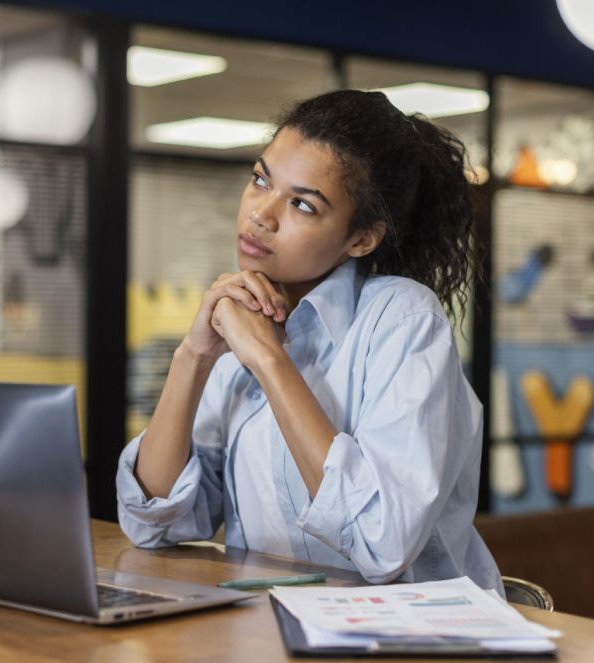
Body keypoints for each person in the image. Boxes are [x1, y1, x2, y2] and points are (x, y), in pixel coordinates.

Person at [116, 89, 503, 593]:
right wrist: (194, 356)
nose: (261, 215)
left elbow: (380, 543)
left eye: (302, 204)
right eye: (260, 180)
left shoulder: (403, 319)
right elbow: (155, 524)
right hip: (272, 630)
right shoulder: (240, 320)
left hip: (408, 639)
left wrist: (271, 360)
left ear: (361, 239)